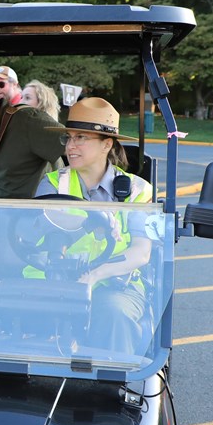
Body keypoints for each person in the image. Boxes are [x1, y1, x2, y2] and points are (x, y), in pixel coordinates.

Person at [33, 97, 153, 353]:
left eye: (81, 138)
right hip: (53, 279)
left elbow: (141, 253)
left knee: (114, 312)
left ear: (106, 144)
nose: (71, 146)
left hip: (113, 284)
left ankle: (114, 387)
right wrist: (87, 221)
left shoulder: (137, 190)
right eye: (69, 137)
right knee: (7, 308)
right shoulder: (53, 183)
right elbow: (38, 232)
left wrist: (94, 276)